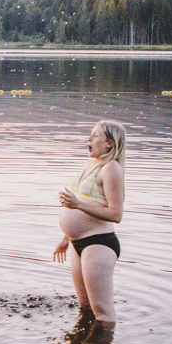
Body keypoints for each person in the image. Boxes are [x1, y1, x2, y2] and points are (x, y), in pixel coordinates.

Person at [54, 121, 126, 324]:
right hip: (79, 243)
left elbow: (116, 214)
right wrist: (66, 239)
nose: (89, 139)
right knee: (85, 308)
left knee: (103, 313)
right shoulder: (92, 164)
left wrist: (77, 206)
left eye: (95, 135)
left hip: (98, 243)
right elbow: (86, 202)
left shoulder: (111, 168)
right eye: (90, 135)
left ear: (110, 143)